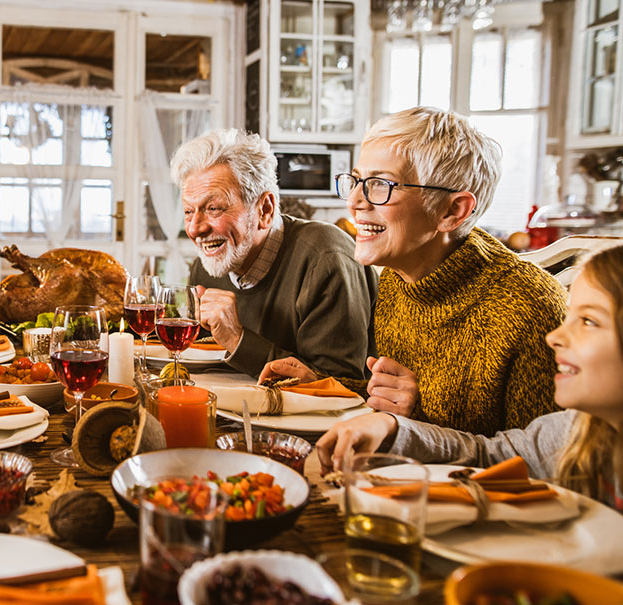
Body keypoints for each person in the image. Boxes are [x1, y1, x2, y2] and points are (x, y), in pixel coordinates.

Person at [261, 107, 565, 435]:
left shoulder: (529, 307)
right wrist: (323, 385)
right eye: (357, 180)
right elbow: (398, 396)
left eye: (380, 185)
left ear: (452, 211)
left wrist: (416, 418)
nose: (354, 201)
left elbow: (542, 462)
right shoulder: (396, 277)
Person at [315, 245, 623, 513]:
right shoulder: (574, 431)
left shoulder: (518, 299)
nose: (555, 336)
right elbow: (488, 456)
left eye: (589, 321)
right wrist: (392, 428)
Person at [171, 128, 377, 380]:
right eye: (189, 212)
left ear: (265, 209)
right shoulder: (206, 267)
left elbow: (341, 387)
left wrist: (238, 339)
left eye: (213, 208)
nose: (194, 229)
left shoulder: (326, 258)